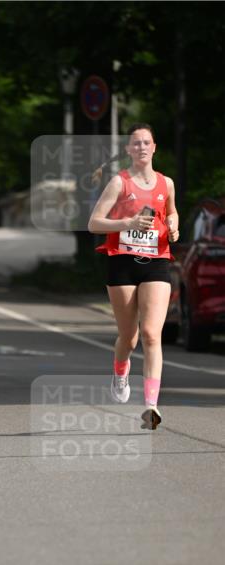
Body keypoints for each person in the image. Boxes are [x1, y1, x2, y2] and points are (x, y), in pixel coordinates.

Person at [88, 122, 179, 430]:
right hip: (122, 262)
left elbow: (172, 211)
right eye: (135, 143)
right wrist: (126, 223)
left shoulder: (166, 183)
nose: (141, 147)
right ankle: (120, 371)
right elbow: (94, 224)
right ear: (128, 150)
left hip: (157, 261)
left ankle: (151, 406)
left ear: (154, 148)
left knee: (153, 333)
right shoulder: (119, 182)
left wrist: (175, 225)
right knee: (130, 336)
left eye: (146, 142)